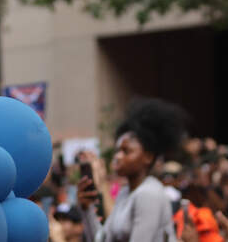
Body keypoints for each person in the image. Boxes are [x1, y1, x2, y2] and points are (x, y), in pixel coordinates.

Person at [79, 98, 184, 242]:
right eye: (117, 151)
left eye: (126, 151)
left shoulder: (149, 194)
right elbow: (101, 239)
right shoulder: (125, 193)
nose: (117, 156)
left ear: (148, 156)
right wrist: (87, 208)